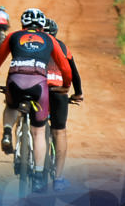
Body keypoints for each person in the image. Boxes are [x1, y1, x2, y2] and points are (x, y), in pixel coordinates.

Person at [0, 8, 71, 194]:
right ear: (42, 25)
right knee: (38, 131)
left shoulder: (13, 36)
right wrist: (66, 85)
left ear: (23, 23)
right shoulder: (49, 39)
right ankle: (39, 177)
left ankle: (8, 131)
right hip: (39, 85)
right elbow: (65, 66)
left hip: (15, 80)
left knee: (10, 105)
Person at [44, 18, 83, 192]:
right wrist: (78, 93)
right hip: (58, 91)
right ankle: (58, 179)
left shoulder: (34, 46)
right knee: (59, 132)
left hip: (38, 89)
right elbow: (74, 73)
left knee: (36, 125)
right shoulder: (63, 47)